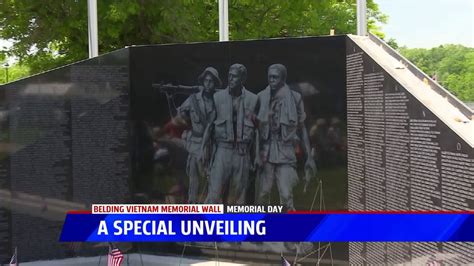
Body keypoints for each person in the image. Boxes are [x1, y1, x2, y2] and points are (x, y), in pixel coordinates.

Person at [255, 64, 316, 210]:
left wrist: (309, 157)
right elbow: (256, 130)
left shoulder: (295, 98)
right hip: (266, 151)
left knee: (286, 194)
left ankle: (289, 226)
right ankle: (263, 226)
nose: (271, 80)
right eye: (270, 76)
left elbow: (302, 128)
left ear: (283, 78)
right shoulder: (261, 97)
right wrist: (256, 154)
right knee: (263, 194)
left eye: (275, 77)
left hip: (285, 150)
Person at [202, 63, 258, 204]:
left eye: (234, 76)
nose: (230, 79)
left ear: (242, 79)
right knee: (214, 195)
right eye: (229, 76)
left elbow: (257, 132)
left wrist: (255, 157)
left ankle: (237, 225)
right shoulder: (218, 97)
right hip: (223, 150)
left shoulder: (253, 99)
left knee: (239, 197)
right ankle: (208, 224)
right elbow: (209, 127)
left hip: (242, 152)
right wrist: (204, 151)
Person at [177, 67, 221, 203]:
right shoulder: (193, 99)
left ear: (215, 84)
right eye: (206, 81)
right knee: (194, 181)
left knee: (212, 180)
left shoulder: (219, 100)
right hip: (195, 144)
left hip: (212, 145)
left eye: (211, 81)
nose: (208, 84)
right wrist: (186, 126)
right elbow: (180, 114)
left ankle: (210, 209)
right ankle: (192, 208)